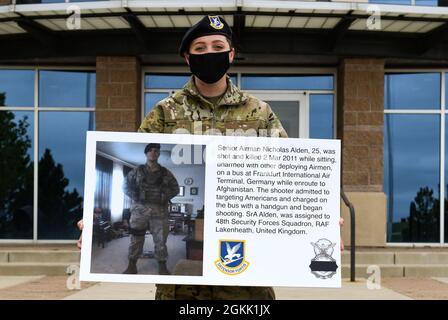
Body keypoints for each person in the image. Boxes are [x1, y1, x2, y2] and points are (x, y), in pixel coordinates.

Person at [77, 14, 344, 299]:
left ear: (231, 54)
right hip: (182, 292)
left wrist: (321, 221)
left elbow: (290, 173)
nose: (210, 54)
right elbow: (133, 170)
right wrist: (89, 223)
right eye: (200, 48)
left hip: (247, 278)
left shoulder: (259, 112)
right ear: (187, 58)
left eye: (218, 47)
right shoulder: (165, 112)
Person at [122, 142, 179, 275]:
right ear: (146, 153)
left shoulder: (165, 173)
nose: (154, 153)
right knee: (136, 239)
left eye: (157, 151)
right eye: (151, 150)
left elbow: (175, 188)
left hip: (159, 210)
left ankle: (162, 266)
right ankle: (132, 265)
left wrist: (165, 197)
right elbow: (125, 186)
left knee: (161, 241)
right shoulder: (136, 171)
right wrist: (135, 195)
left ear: (159, 154)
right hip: (139, 210)